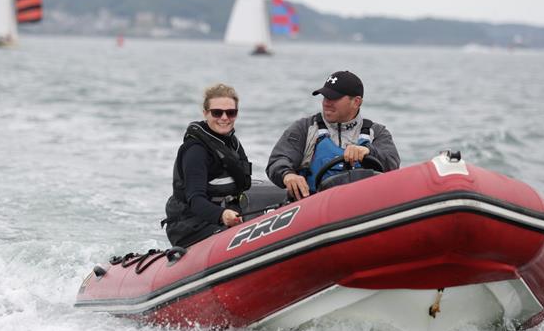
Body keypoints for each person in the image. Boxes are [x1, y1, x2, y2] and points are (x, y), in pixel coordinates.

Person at [266, 70, 400, 200]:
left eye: (334, 98)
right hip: (314, 207)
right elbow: (277, 161)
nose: (326, 103)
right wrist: (287, 175)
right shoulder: (304, 128)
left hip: (364, 205)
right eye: (325, 96)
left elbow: (392, 163)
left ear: (356, 102)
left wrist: (369, 151)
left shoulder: (376, 132)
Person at [162, 84, 252, 247]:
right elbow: (196, 200)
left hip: (226, 217)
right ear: (205, 113)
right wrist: (222, 215)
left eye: (231, 112)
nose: (224, 117)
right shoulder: (195, 151)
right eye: (217, 112)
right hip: (192, 225)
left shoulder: (232, 144)